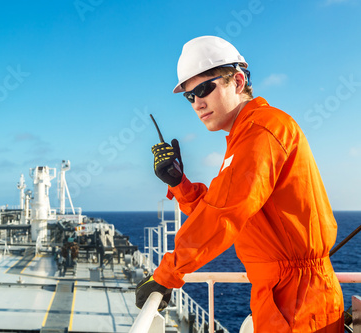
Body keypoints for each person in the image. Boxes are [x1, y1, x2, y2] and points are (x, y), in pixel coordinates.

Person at [135, 36, 344, 332]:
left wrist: (166, 274)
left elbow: (223, 215)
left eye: (204, 89)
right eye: (189, 96)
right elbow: (220, 211)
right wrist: (180, 183)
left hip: (298, 302)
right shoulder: (244, 137)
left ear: (237, 80)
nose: (197, 103)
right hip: (280, 297)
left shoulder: (262, 130)